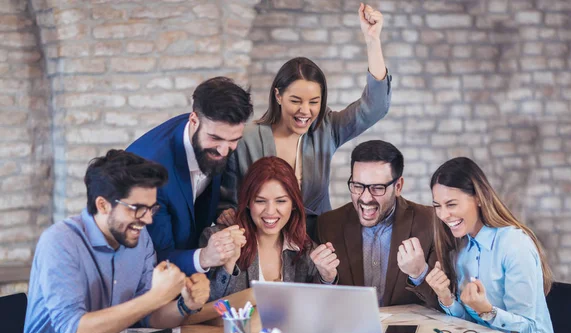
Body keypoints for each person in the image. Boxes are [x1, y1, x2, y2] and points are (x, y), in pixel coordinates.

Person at [14, 150, 211, 333]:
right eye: (137, 208)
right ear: (103, 205)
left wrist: (185, 305)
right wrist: (154, 297)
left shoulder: (139, 241)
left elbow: (148, 318)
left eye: (152, 208)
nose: (148, 219)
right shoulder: (60, 242)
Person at [219, 3, 391, 239]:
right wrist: (226, 213)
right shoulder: (247, 138)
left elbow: (375, 107)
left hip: (315, 244)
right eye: (296, 100)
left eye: (314, 102)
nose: (305, 111)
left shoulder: (326, 129)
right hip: (260, 243)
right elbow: (225, 201)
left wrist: (373, 40)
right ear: (278, 96)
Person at [425, 157, 557, 333]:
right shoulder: (461, 250)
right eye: (438, 206)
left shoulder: (514, 244)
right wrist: (445, 297)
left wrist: (486, 311)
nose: (443, 215)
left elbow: (527, 328)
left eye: (451, 204)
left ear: (478, 198)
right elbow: (469, 323)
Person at [127, 77, 253, 276]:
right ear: (193, 120)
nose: (224, 151)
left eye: (234, 140)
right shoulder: (149, 172)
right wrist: (204, 257)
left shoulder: (217, 136)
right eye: (215, 139)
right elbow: (155, 255)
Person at [316, 141, 438, 308]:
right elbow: (317, 307)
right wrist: (326, 279)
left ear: (398, 186)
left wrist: (419, 274)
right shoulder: (328, 224)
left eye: (377, 188)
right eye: (358, 186)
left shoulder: (430, 222)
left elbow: (444, 305)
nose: (365, 198)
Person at [202, 157, 339, 299]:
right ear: (248, 202)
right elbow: (202, 306)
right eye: (260, 201)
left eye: (281, 201)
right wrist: (228, 265)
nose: (270, 211)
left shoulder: (305, 250)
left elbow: (317, 307)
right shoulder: (216, 239)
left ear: (293, 204)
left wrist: (327, 277)